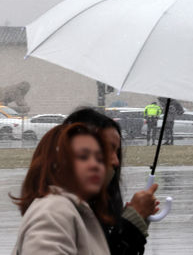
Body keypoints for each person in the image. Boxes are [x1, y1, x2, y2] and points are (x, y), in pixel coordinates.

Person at [65, 107, 158, 255]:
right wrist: (131, 225)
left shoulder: (94, 206)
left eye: (117, 152)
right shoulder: (58, 213)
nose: (115, 161)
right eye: (107, 149)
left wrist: (133, 221)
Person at [12, 123, 113, 254]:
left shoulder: (70, 208)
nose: (95, 165)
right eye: (83, 156)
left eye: (100, 159)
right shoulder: (54, 211)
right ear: (55, 163)